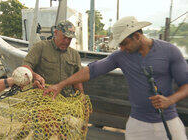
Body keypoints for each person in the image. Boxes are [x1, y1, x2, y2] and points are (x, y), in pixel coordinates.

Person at [44, 16, 188, 139]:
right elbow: (91, 70)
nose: (122, 48)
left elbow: (186, 85)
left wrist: (170, 100)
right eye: (120, 45)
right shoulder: (120, 56)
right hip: (138, 123)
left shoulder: (169, 51)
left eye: (124, 43)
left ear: (137, 36)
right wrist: (61, 85)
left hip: (169, 120)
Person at [22, 20, 84, 97]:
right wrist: (35, 76)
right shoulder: (41, 47)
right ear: (55, 33)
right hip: (43, 97)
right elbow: (25, 67)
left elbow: (77, 80)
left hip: (66, 101)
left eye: (70, 39)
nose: (66, 41)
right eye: (64, 37)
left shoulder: (74, 55)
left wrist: (82, 97)